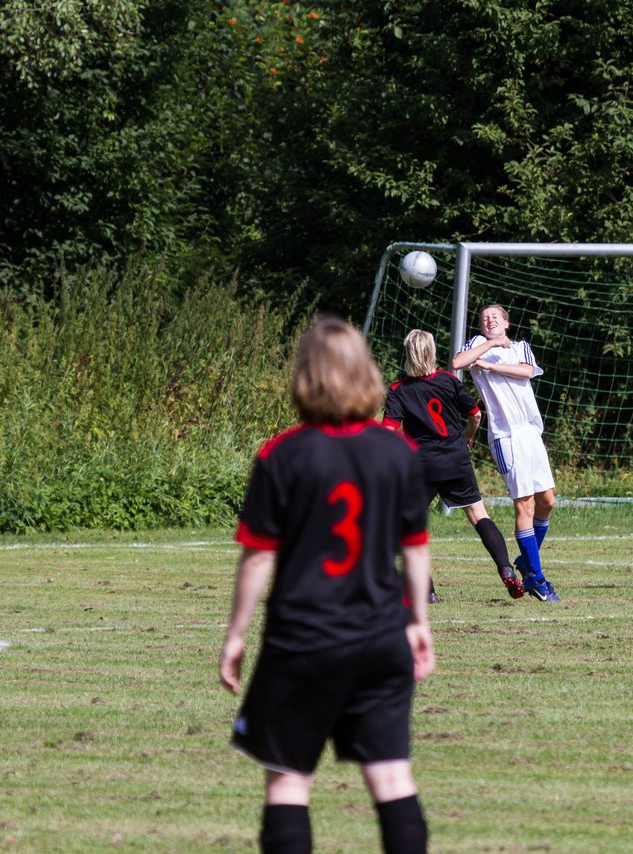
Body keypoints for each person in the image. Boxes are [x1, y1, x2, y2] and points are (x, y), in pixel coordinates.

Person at [219, 316, 436, 854]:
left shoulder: (282, 454)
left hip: (303, 639)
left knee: (289, 780)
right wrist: (418, 623)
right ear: (366, 372)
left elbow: (256, 558)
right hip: (381, 634)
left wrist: (236, 634)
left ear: (305, 377)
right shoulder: (397, 453)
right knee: (391, 779)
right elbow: (414, 547)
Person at [383, 329, 526, 601]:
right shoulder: (449, 381)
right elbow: (475, 414)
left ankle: (427, 592)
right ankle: (506, 570)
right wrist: (468, 437)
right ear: (433, 352)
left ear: (408, 354)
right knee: (478, 514)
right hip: (455, 459)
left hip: (422, 466)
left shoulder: (398, 390)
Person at [451, 304, 560, 602]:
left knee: (547, 501)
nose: (489, 320)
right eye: (485, 318)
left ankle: (526, 560)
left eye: (495, 317)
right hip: (505, 435)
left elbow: (526, 372)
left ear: (507, 323)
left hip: (530, 432)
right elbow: (458, 362)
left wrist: (492, 364)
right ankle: (537, 579)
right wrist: (488, 346)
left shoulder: (521, 347)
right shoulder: (477, 344)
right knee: (524, 506)